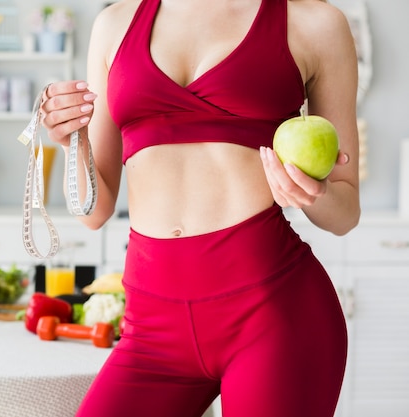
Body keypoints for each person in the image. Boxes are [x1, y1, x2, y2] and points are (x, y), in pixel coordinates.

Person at [39, 0, 360, 415]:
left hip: (273, 314)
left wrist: (313, 193)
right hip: (151, 326)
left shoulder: (314, 22)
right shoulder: (114, 23)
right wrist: (71, 140)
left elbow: (346, 212)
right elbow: (93, 212)